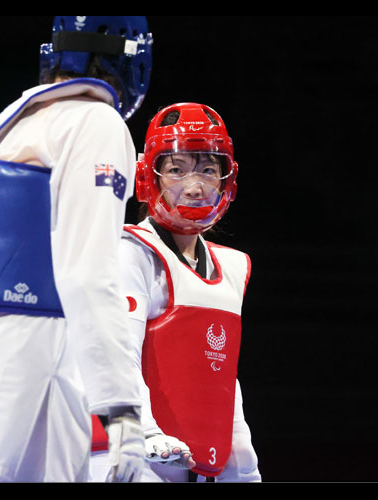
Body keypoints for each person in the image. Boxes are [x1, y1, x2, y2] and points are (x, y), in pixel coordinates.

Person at [0, 16, 153, 482]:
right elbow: (88, 272)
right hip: (32, 348)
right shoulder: (94, 120)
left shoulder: (11, 123)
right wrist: (122, 407)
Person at [89, 102, 262, 482]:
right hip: (130, 457)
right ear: (149, 175)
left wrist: (244, 467)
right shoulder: (130, 252)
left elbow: (221, 381)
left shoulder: (233, 267)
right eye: (176, 169)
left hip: (203, 469)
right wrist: (143, 433)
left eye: (208, 169)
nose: (195, 186)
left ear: (226, 179)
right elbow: (115, 355)